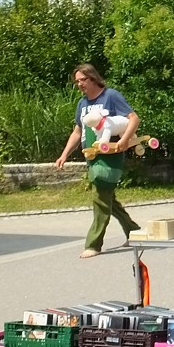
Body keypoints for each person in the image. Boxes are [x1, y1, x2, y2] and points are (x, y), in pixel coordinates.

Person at [55, 64, 141, 259]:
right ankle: (135, 232)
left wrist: (124, 140)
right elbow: (77, 131)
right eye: (76, 81)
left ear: (93, 78)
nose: (79, 84)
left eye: (82, 80)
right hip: (92, 156)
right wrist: (64, 154)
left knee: (101, 198)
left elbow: (134, 118)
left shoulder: (110, 96)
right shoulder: (82, 104)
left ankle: (94, 244)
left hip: (110, 156)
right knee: (108, 198)